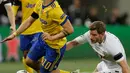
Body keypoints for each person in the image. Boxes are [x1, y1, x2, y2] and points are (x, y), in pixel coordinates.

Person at [1, 0, 74, 73]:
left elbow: (70, 29)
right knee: (29, 61)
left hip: (55, 47)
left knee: (46, 71)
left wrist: (52, 37)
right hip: (43, 40)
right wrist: (15, 34)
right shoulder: (39, 4)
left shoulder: (55, 10)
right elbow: (29, 21)